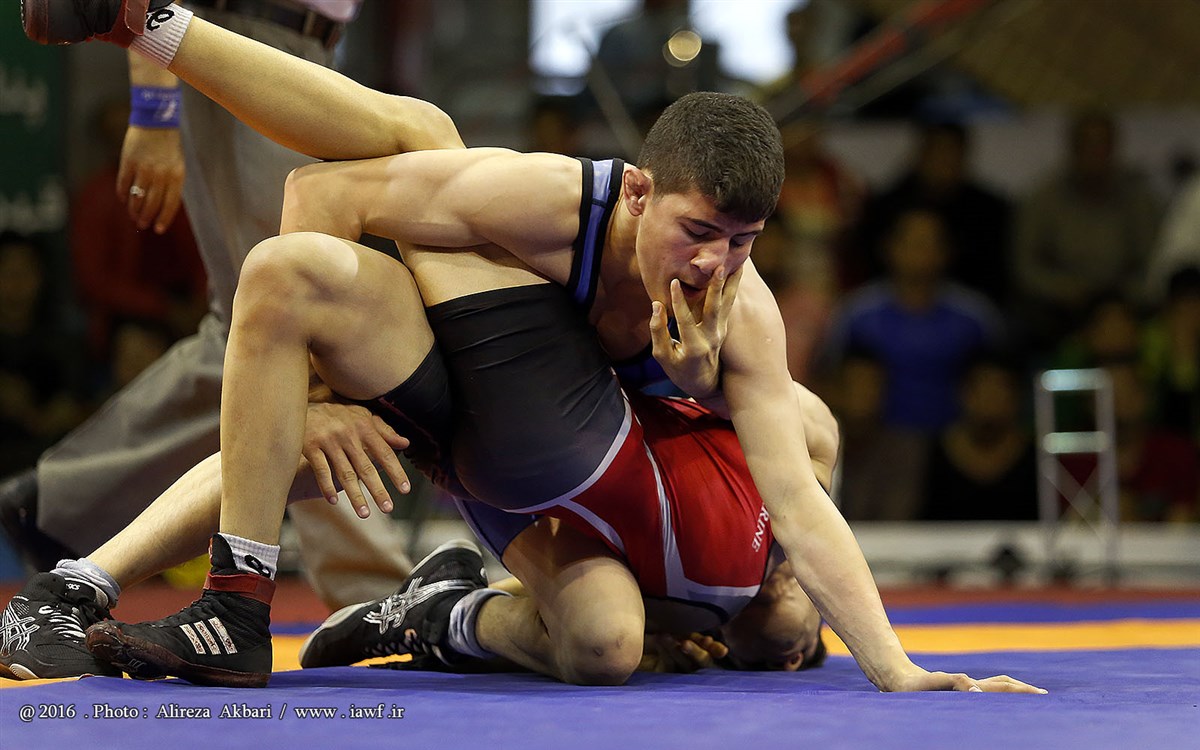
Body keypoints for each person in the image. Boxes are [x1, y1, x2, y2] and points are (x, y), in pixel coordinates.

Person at [17, 0, 1041, 696]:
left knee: (630, 612)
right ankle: (150, 20)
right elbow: (319, 194)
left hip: (549, 459)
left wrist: (896, 668)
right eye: (697, 233)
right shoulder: (552, 202)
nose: (713, 264)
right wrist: (322, 393)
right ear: (636, 192)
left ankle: (437, 612)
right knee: (412, 150)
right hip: (463, 372)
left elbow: (800, 498)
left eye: (742, 243)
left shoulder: (743, 307)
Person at [2, 0, 414, 615]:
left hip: (300, 50)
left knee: (249, 337)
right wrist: (154, 109)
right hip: (237, 40)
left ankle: (59, 500)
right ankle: (372, 589)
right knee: (300, 330)